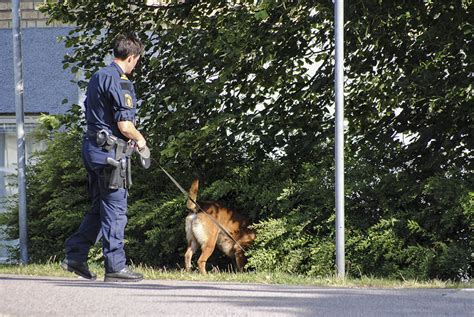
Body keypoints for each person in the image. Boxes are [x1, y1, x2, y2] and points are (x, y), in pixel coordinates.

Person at [61, 33, 147, 282]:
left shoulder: (98, 76)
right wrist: (141, 141)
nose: (136, 65)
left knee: (101, 207)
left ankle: (75, 256)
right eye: (136, 60)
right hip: (110, 154)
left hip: (92, 149)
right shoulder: (121, 82)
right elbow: (125, 125)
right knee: (117, 209)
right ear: (131, 57)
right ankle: (115, 267)